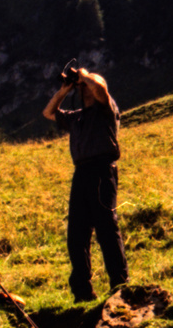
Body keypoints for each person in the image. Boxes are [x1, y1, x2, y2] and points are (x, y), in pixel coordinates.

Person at [43, 66, 128, 302]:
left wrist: (83, 74)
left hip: (102, 170)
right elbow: (49, 112)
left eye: (85, 85)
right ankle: (83, 291)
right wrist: (64, 90)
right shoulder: (76, 117)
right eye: (81, 86)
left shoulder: (106, 109)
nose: (84, 88)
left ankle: (120, 285)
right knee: (76, 234)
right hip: (81, 172)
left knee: (106, 230)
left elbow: (100, 87)